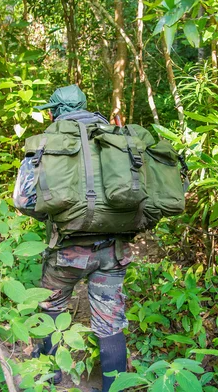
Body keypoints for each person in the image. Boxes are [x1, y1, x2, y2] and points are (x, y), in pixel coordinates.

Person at [13, 85, 131, 392]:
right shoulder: (114, 137)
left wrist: (57, 215)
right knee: (110, 323)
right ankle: (115, 388)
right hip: (113, 250)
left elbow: (23, 200)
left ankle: (48, 379)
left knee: (51, 308)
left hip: (67, 251)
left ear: (54, 112)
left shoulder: (47, 143)